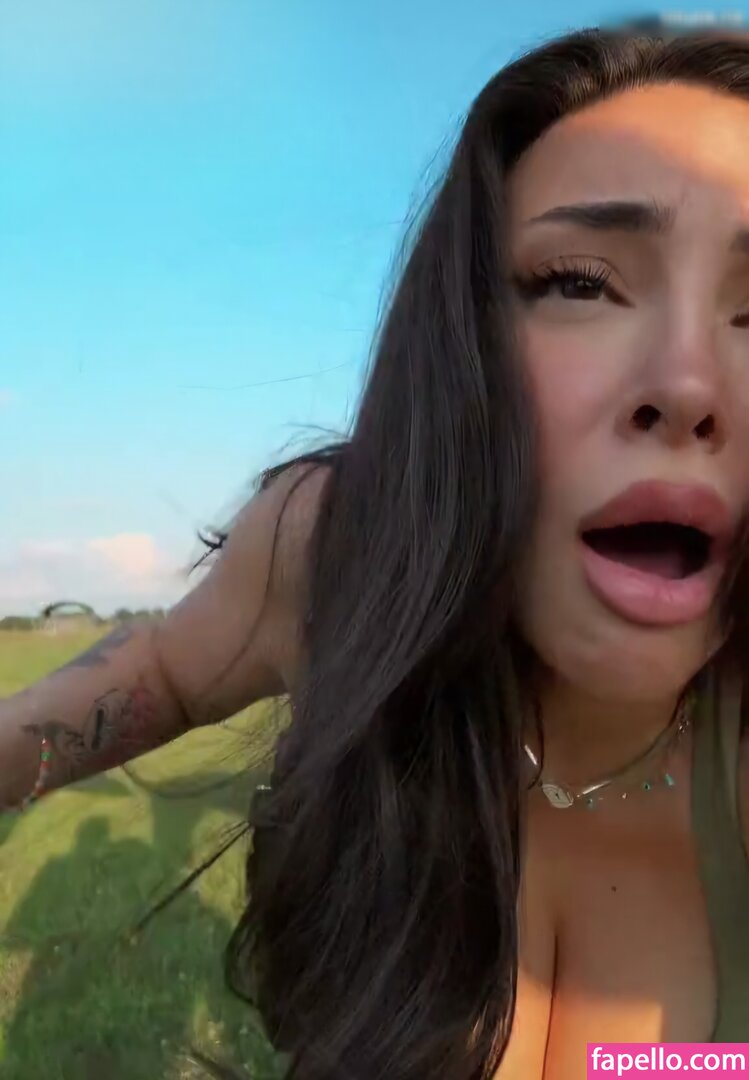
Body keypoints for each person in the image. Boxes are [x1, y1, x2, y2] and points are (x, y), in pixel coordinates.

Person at [3, 23, 749, 1080]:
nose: (683, 382)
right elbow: (166, 669)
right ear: (463, 339)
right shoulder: (343, 550)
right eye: (580, 282)